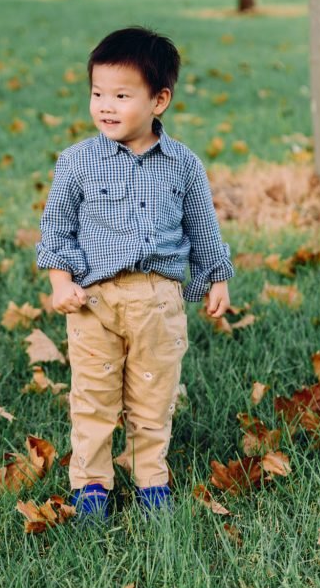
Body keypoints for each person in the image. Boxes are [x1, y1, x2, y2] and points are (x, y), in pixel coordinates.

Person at [36, 26, 234, 523]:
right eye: (97, 93)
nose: (105, 105)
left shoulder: (183, 165)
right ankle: (92, 486)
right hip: (93, 303)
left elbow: (202, 227)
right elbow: (56, 227)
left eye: (122, 96)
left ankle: (151, 481)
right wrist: (61, 282)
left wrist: (216, 277)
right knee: (94, 399)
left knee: (153, 398)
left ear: (159, 100)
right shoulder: (77, 163)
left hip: (159, 303)